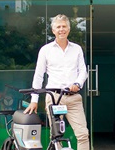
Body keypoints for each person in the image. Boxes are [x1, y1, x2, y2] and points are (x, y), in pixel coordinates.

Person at [24, 14, 90, 150]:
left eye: (64, 26)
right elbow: (38, 75)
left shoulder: (76, 49)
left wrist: (77, 84)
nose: (61, 29)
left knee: (83, 134)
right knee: (56, 136)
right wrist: (34, 99)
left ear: (69, 29)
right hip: (54, 98)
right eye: (58, 27)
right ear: (53, 31)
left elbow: (83, 71)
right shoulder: (46, 50)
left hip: (73, 98)